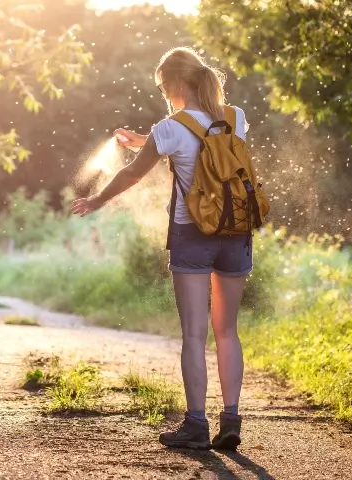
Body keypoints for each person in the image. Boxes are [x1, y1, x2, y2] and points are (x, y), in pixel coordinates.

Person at [71, 46, 251, 451]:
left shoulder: (169, 127)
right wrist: (146, 139)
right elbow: (202, 141)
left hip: (194, 235)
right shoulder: (236, 117)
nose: (163, 95)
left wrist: (97, 200)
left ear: (174, 84)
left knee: (193, 333)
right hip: (236, 233)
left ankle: (196, 425)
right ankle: (232, 420)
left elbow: (135, 173)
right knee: (227, 331)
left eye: (162, 87)